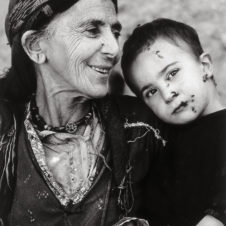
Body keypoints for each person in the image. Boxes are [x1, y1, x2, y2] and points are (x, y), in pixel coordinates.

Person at [0, 0, 168, 225]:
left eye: (115, 32)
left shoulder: (142, 128)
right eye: (92, 30)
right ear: (35, 46)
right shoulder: (5, 134)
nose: (114, 49)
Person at [121, 18, 226, 226]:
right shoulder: (158, 142)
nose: (168, 94)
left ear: (205, 66)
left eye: (173, 73)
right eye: (151, 92)